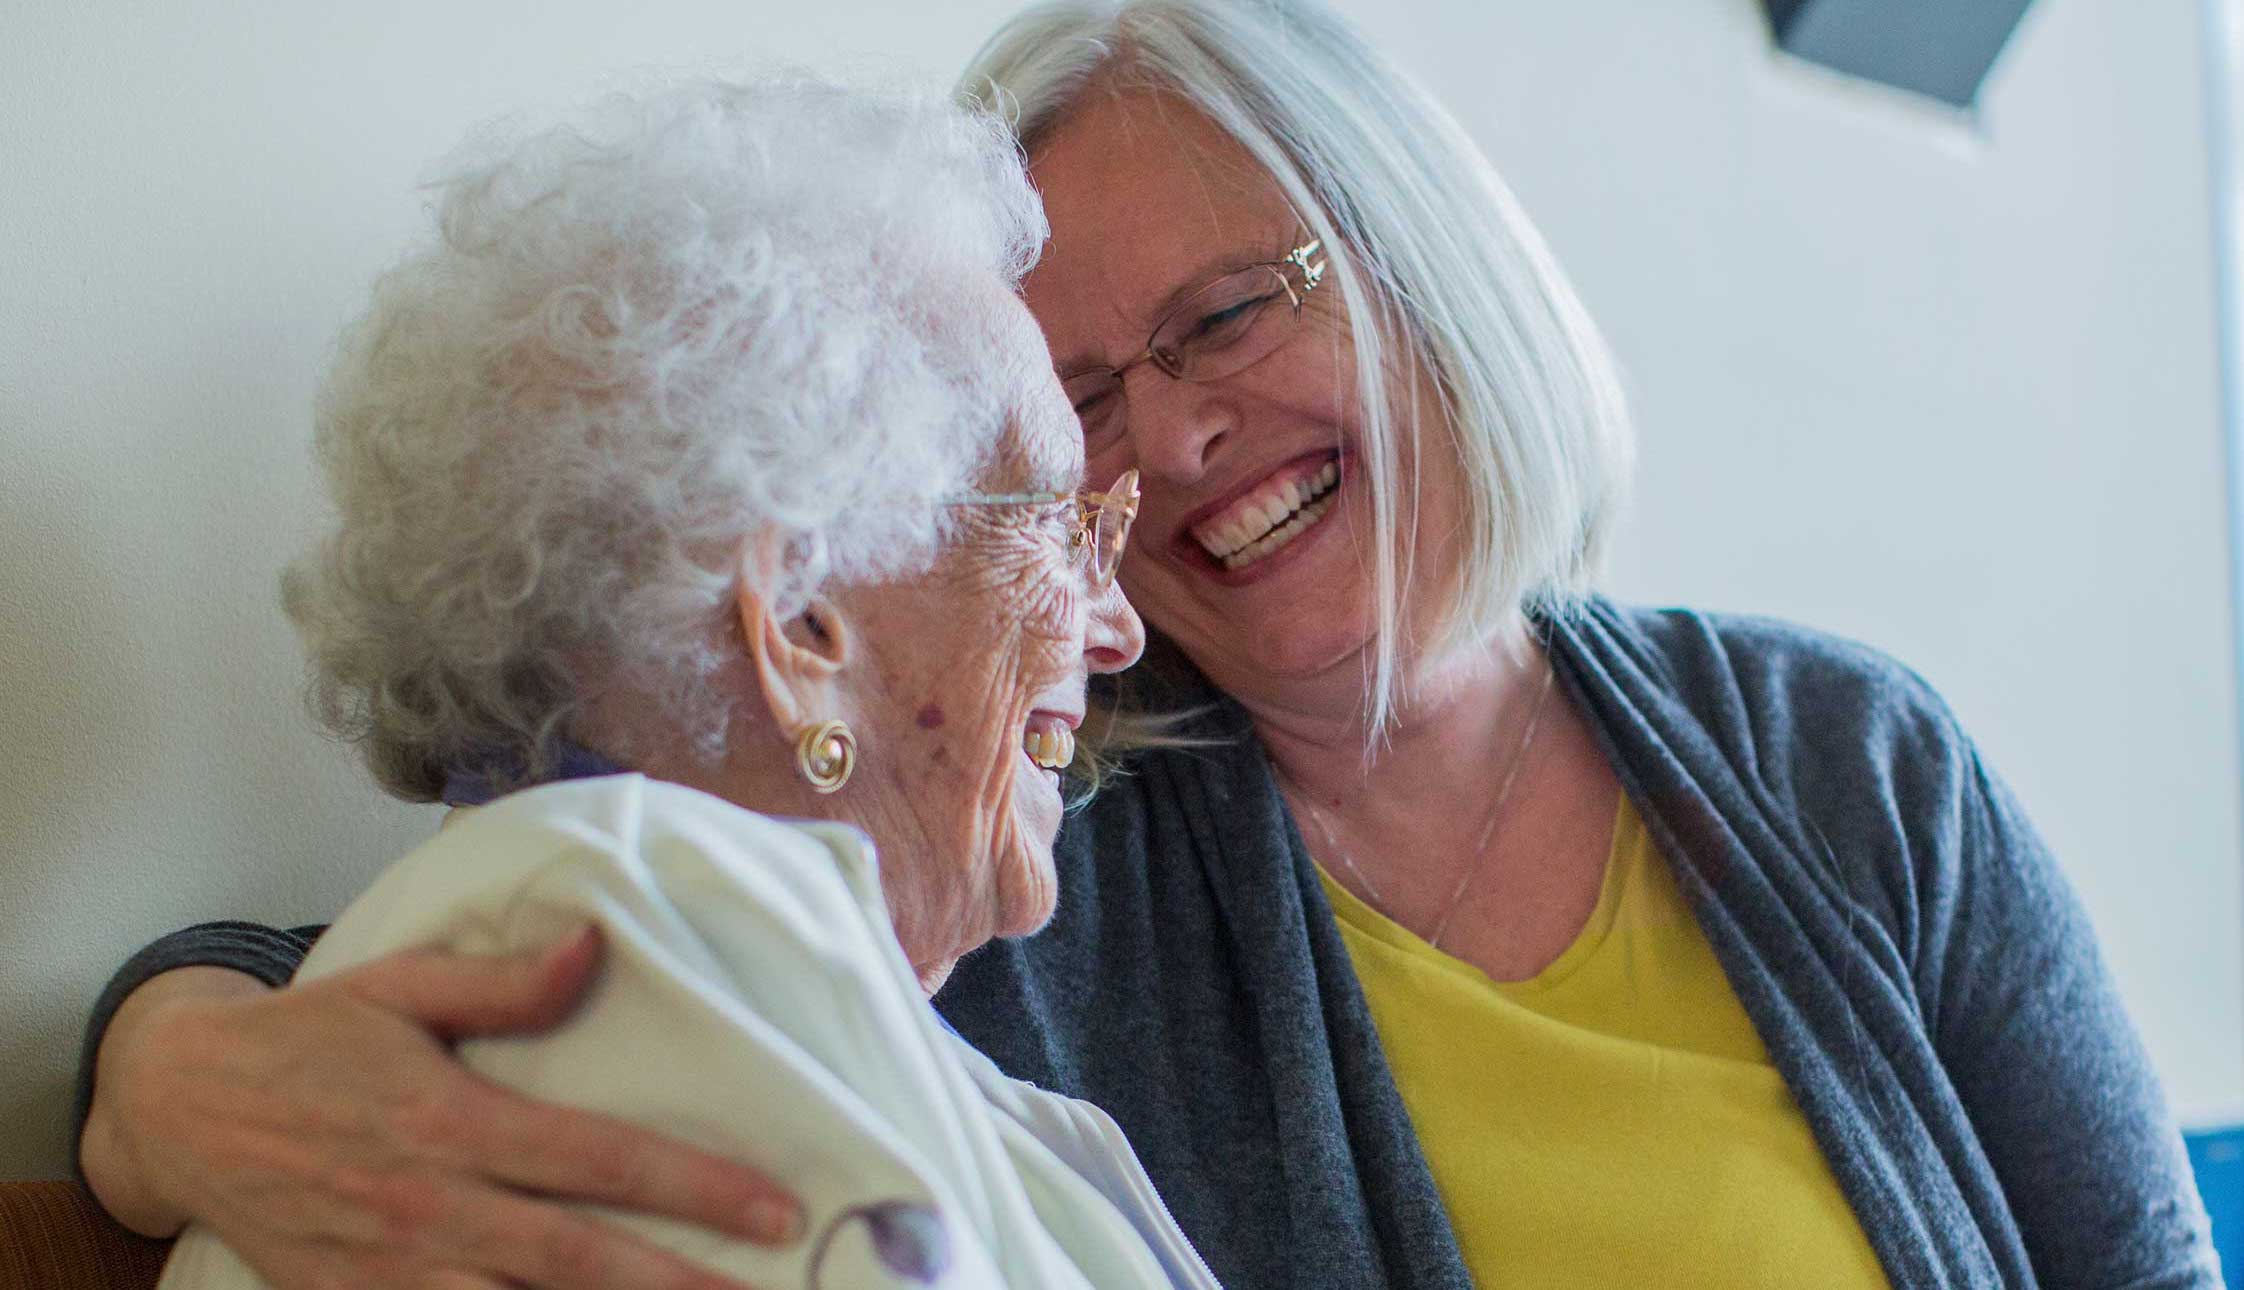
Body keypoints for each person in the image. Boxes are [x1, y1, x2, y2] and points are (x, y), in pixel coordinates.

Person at [77, 3, 2223, 1288]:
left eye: (1223, 317)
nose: (1170, 449)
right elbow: (568, 911)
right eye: (1075, 409)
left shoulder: (1846, 762)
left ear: (1418, 270)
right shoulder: (1034, 817)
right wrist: (160, 1066)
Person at [127, 73, 1234, 1290]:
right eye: (1057, 523)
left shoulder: (651, 946)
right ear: (801, 624)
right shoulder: (655, 1012)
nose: (1117, 626)